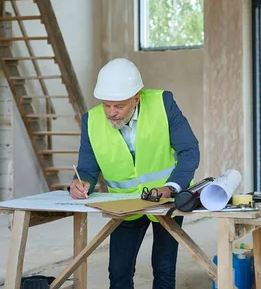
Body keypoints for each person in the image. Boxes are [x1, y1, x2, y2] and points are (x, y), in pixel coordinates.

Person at [68, 57, 200, 289]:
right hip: (125, 205)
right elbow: (87, 169)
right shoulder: (92, 121)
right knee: (118, 272)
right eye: (106, 105)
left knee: (164, 269)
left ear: (136, 98)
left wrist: (171, 187)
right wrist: (81, 184)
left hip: (166, 200)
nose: (111, 113)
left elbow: (189, 150)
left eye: (119, 106)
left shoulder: (163, 104)